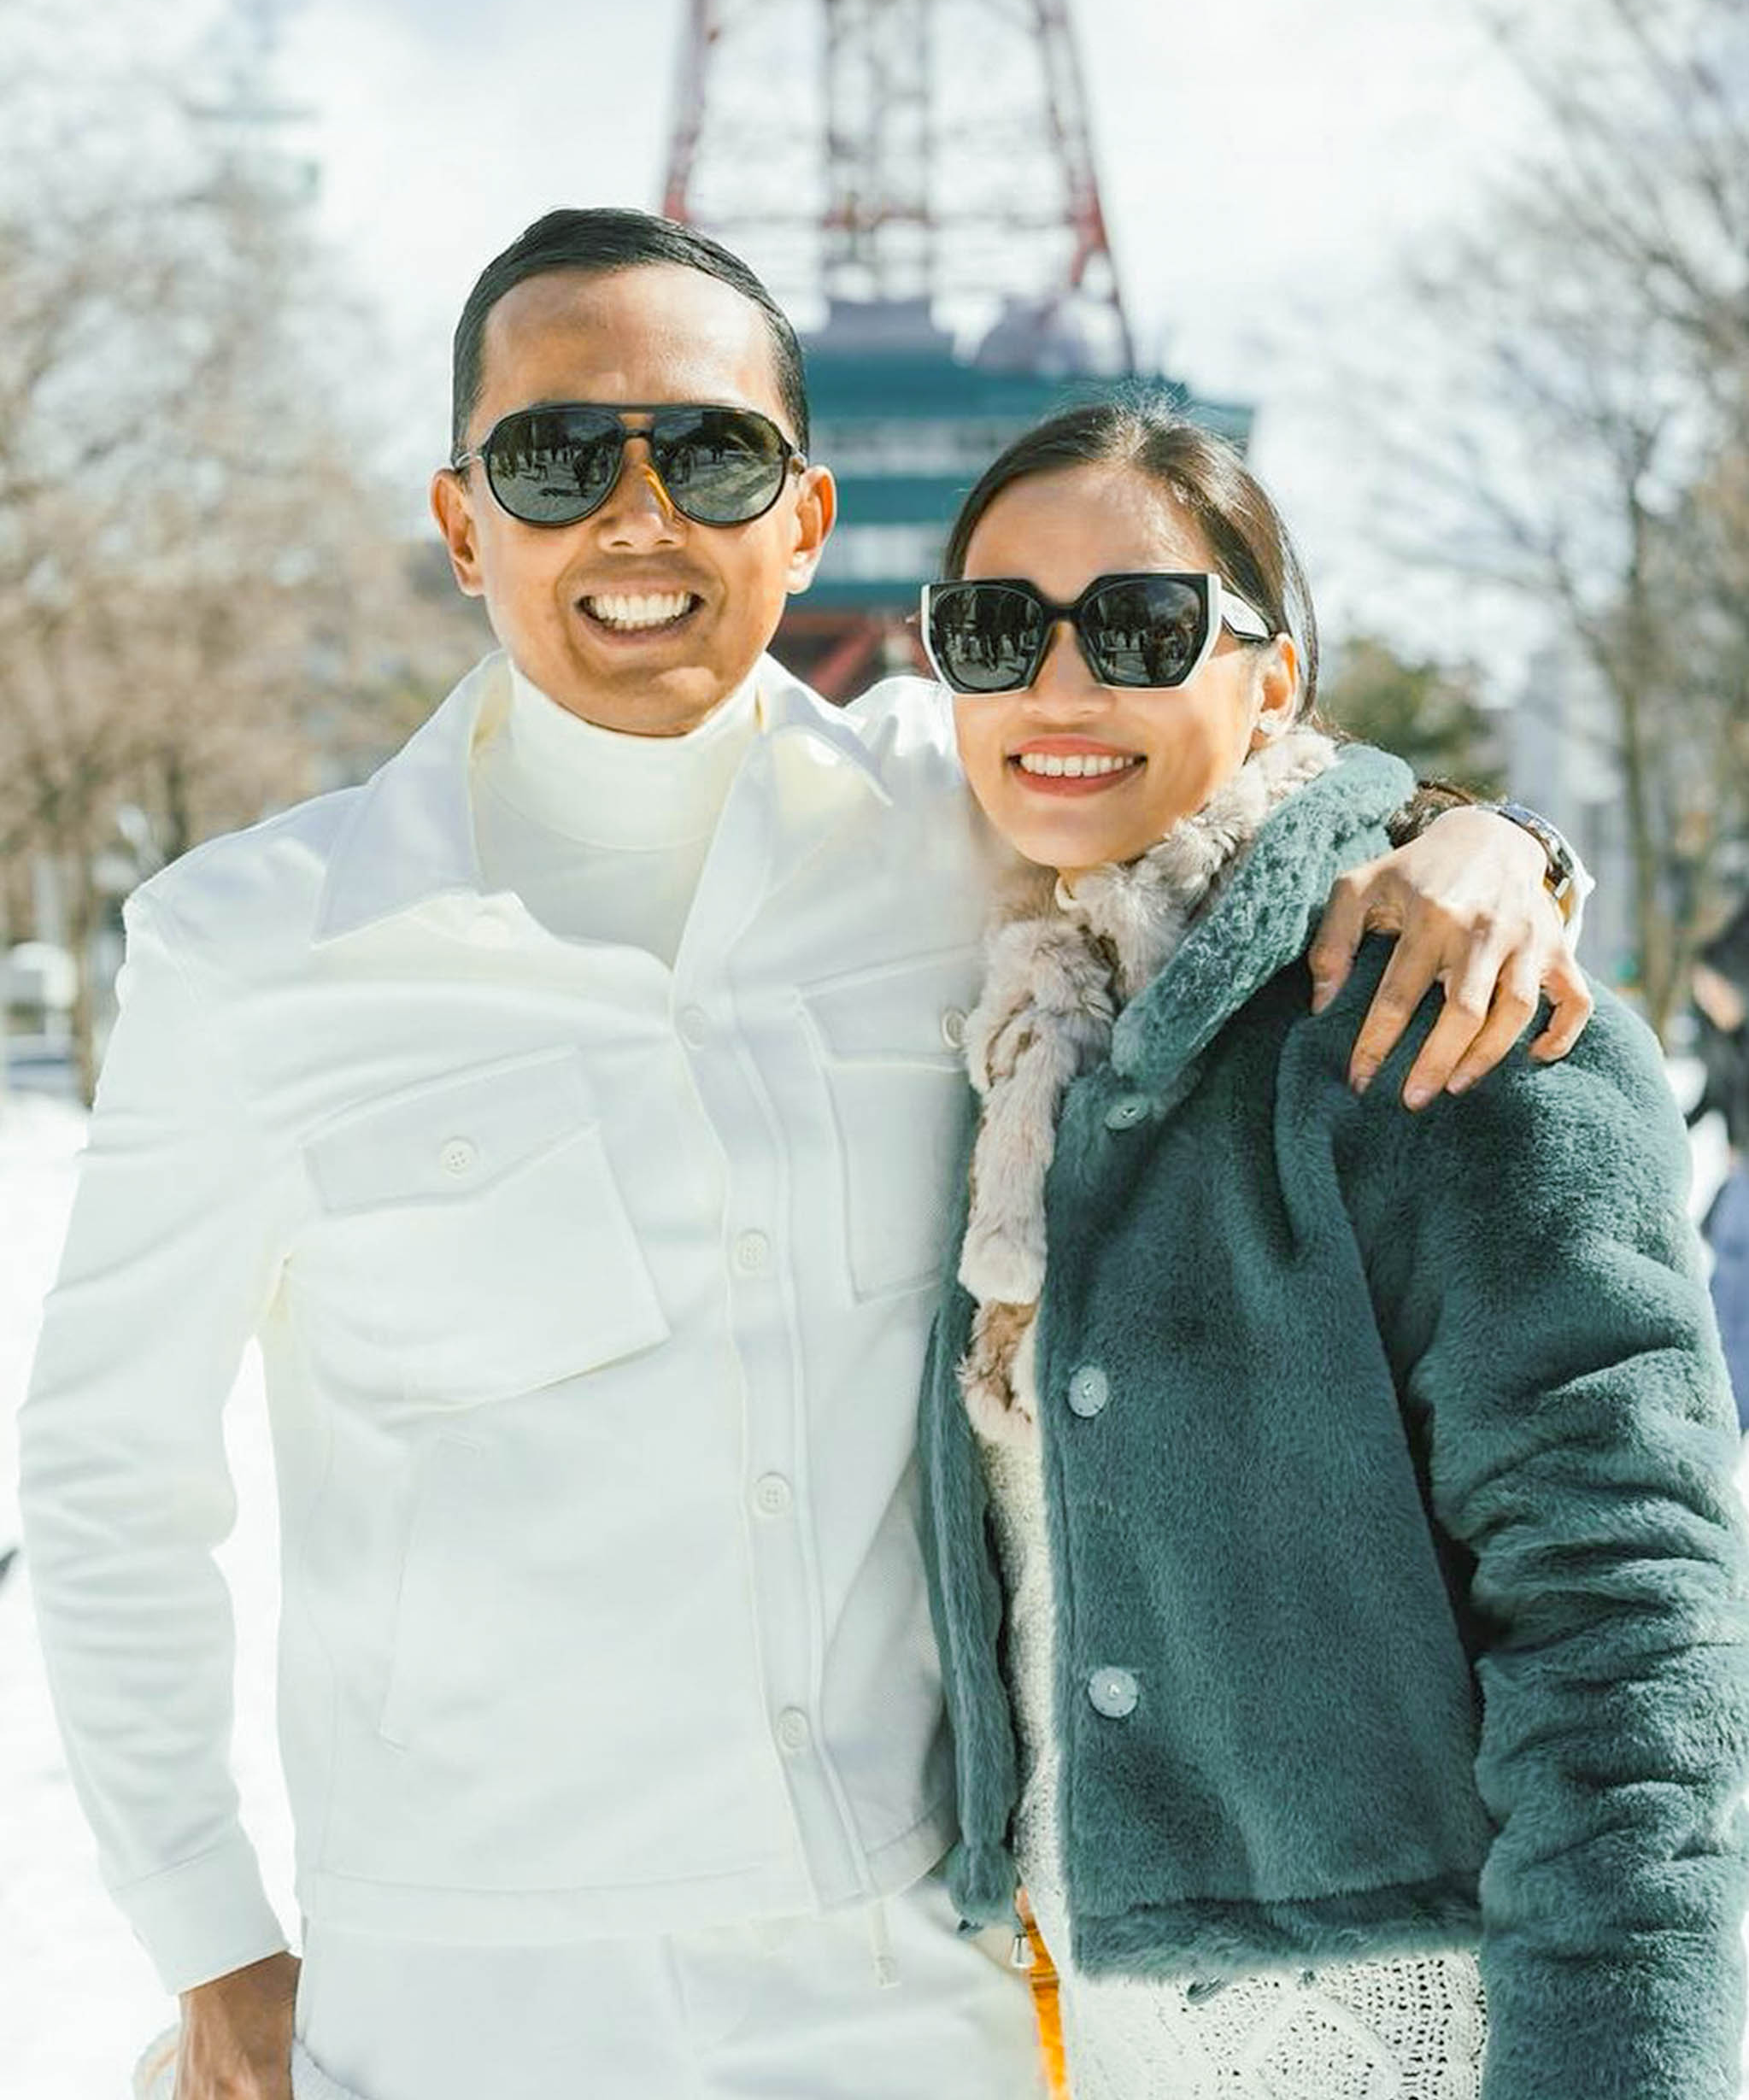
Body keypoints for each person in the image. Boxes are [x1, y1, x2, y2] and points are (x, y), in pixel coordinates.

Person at [21, 209, 1593, 2100]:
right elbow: (111, 1480)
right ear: (461, 524)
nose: (635, 512)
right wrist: (210, 1939)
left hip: (912, 1988)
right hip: (465, 1994)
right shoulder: (252, 943)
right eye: (553, 457)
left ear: (806, 513)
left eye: (708, 452)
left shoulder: (961, 821)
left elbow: (1228, 777)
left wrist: (1486, 837)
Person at [913, 399, 1749, 2099]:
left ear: (1271, 676)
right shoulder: (1012, 1021)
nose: (1059, 689)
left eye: (1141, 627)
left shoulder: (1445, 1000)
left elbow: (1626, 1614)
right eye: (996, 630)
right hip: (1069, 2011)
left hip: (1393, 2033)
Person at [1687, 899, 1749, 1428]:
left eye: (1715, 988)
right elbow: (1709, 1096)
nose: (1708, 1000)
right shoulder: (1723, 1039)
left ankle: (1730, 1405)